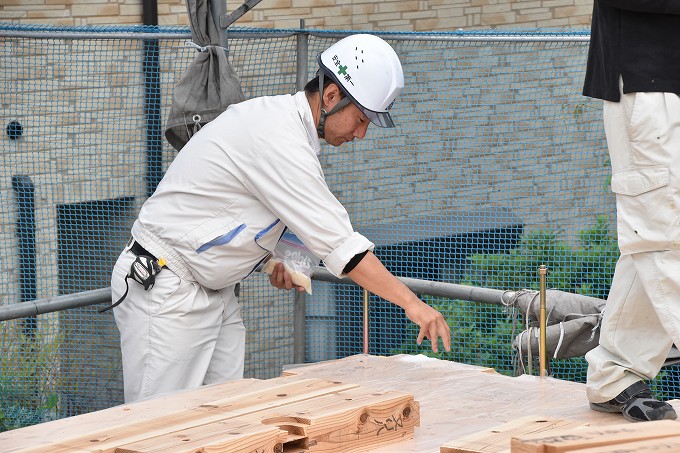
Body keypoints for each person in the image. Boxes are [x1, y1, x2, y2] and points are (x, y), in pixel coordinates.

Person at [108, 34, 452, 403]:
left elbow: (240, 208)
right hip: (168, 287)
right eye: (361, 118)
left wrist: (274, 258)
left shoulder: (288, 130)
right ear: (332, 96)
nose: (361, 133)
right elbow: (343, 248)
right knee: (156, 428)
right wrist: (412, 304)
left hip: (208, 290)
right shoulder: (279, 137)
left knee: (219, 419)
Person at [582, 1, 680, 422]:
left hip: (663, 86)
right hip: (649, 90)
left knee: (654, 238)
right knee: (666, 237)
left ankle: (615, 374)